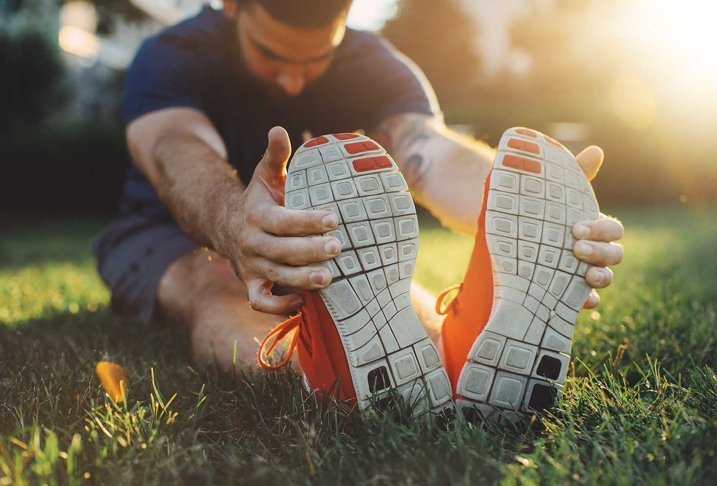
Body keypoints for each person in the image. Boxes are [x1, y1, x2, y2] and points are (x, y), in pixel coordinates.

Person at [93, 0, 624, 416]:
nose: (293, 81)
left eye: (315, 58)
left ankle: (456, 365)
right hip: (167, 234)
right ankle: (320, 376)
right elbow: (172, 150)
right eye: (273, 55)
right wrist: (238, 226)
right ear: (233, 4)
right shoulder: (172, 53)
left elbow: (427, 151)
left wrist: (522, 202)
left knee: (386, 303)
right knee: (221, 283)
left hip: (327, 237)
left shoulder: (374, 62)